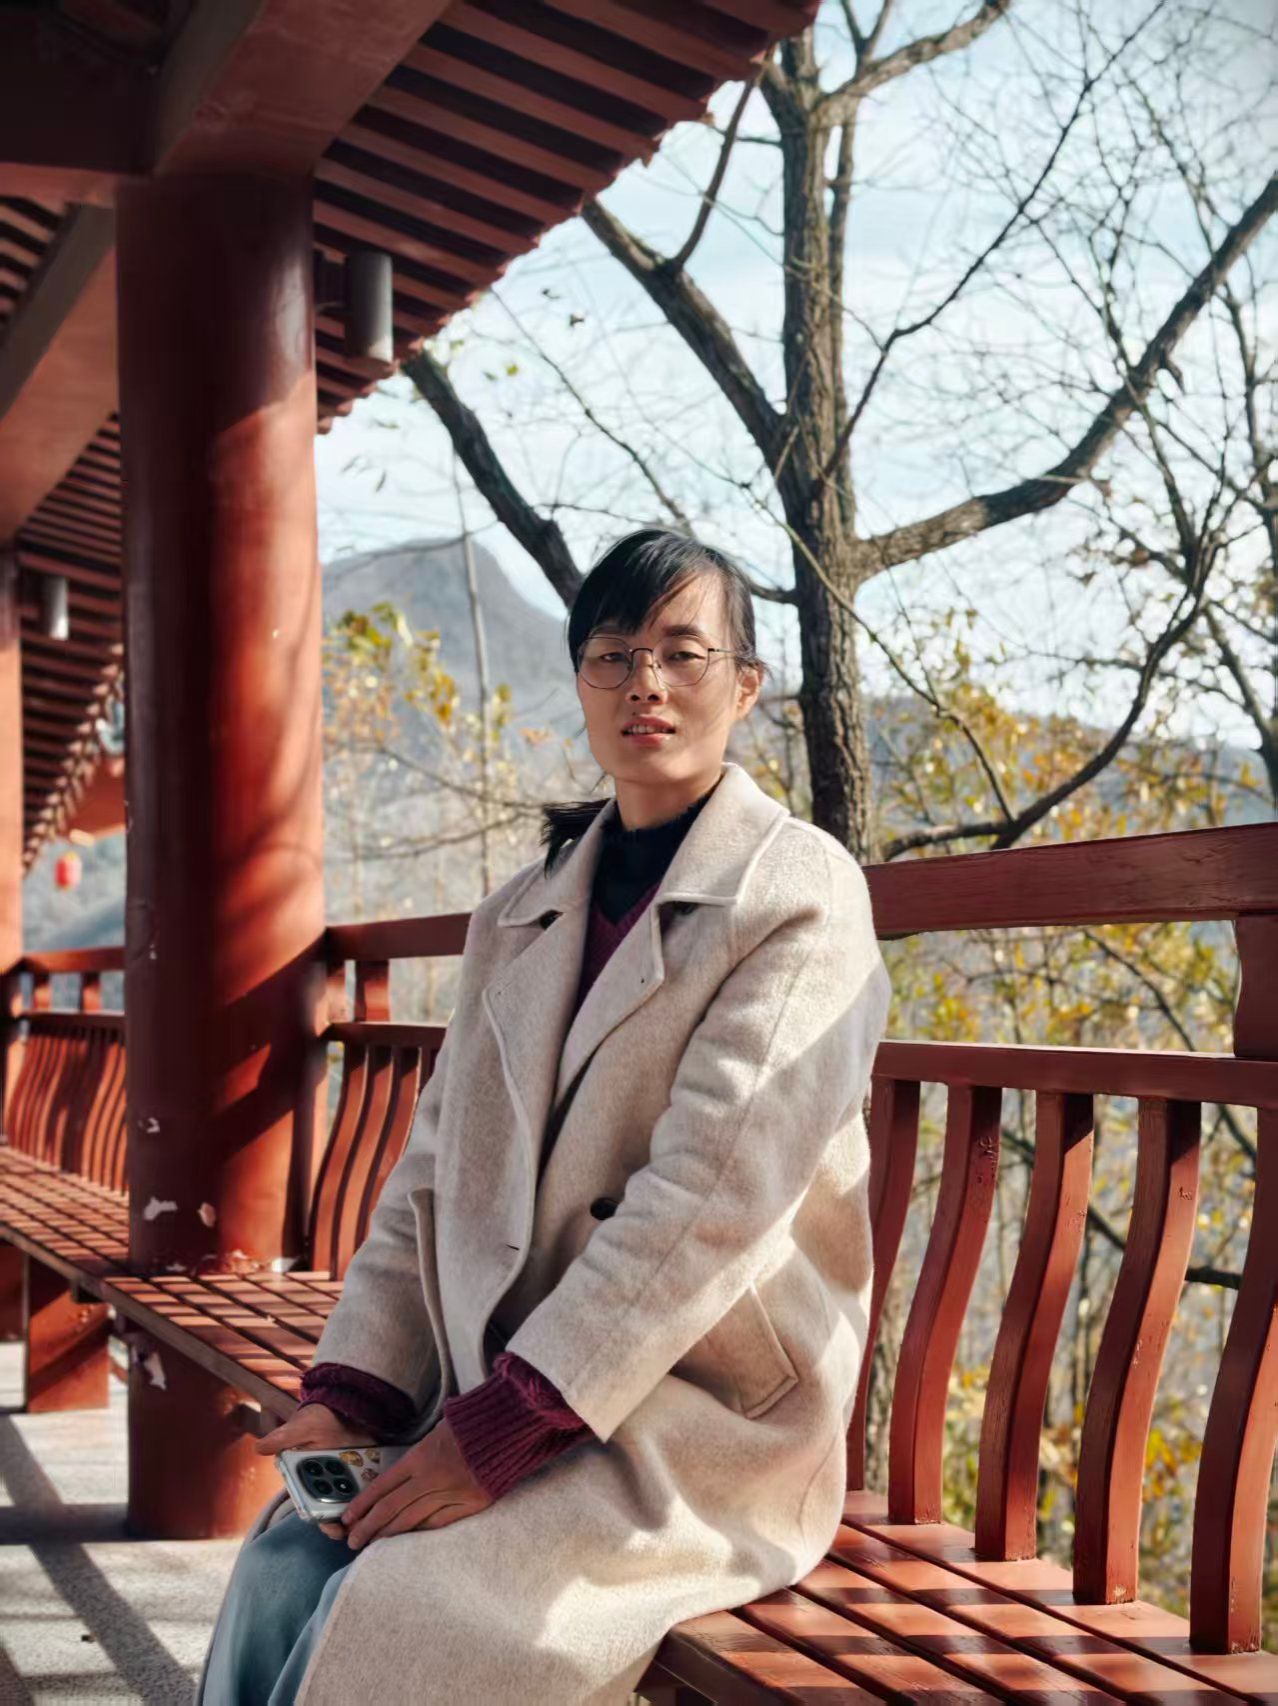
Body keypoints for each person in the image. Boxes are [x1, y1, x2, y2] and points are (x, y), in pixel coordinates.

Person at [200, 528, 891, 1705]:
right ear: (580, 681)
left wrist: (509, 1423)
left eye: (682, 651)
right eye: (613, 654)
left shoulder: (799, 894)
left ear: (745, 684)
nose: (645, 683)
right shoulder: (518, 913)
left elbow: (708, 1204)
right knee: (282, 1563)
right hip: (502, 1382)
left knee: (406, 1604)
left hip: (695, 1414)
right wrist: (354, 1388)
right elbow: (432, 1174)